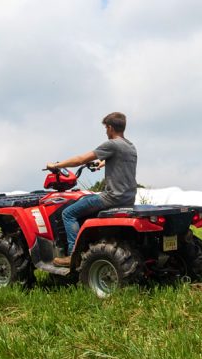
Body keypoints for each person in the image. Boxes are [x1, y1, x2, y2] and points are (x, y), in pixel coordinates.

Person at [46, 111, 137, 266]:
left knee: (68, 213)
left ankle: (72, 255)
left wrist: (57, 165)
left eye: (105, 129)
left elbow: (80, 159)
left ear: (110, 128)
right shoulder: (130, 146)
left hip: (111, 198)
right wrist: (102, 163)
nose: (105, 132)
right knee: (85, 202)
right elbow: (119, 161)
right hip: (128, 198)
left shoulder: (112, 144)